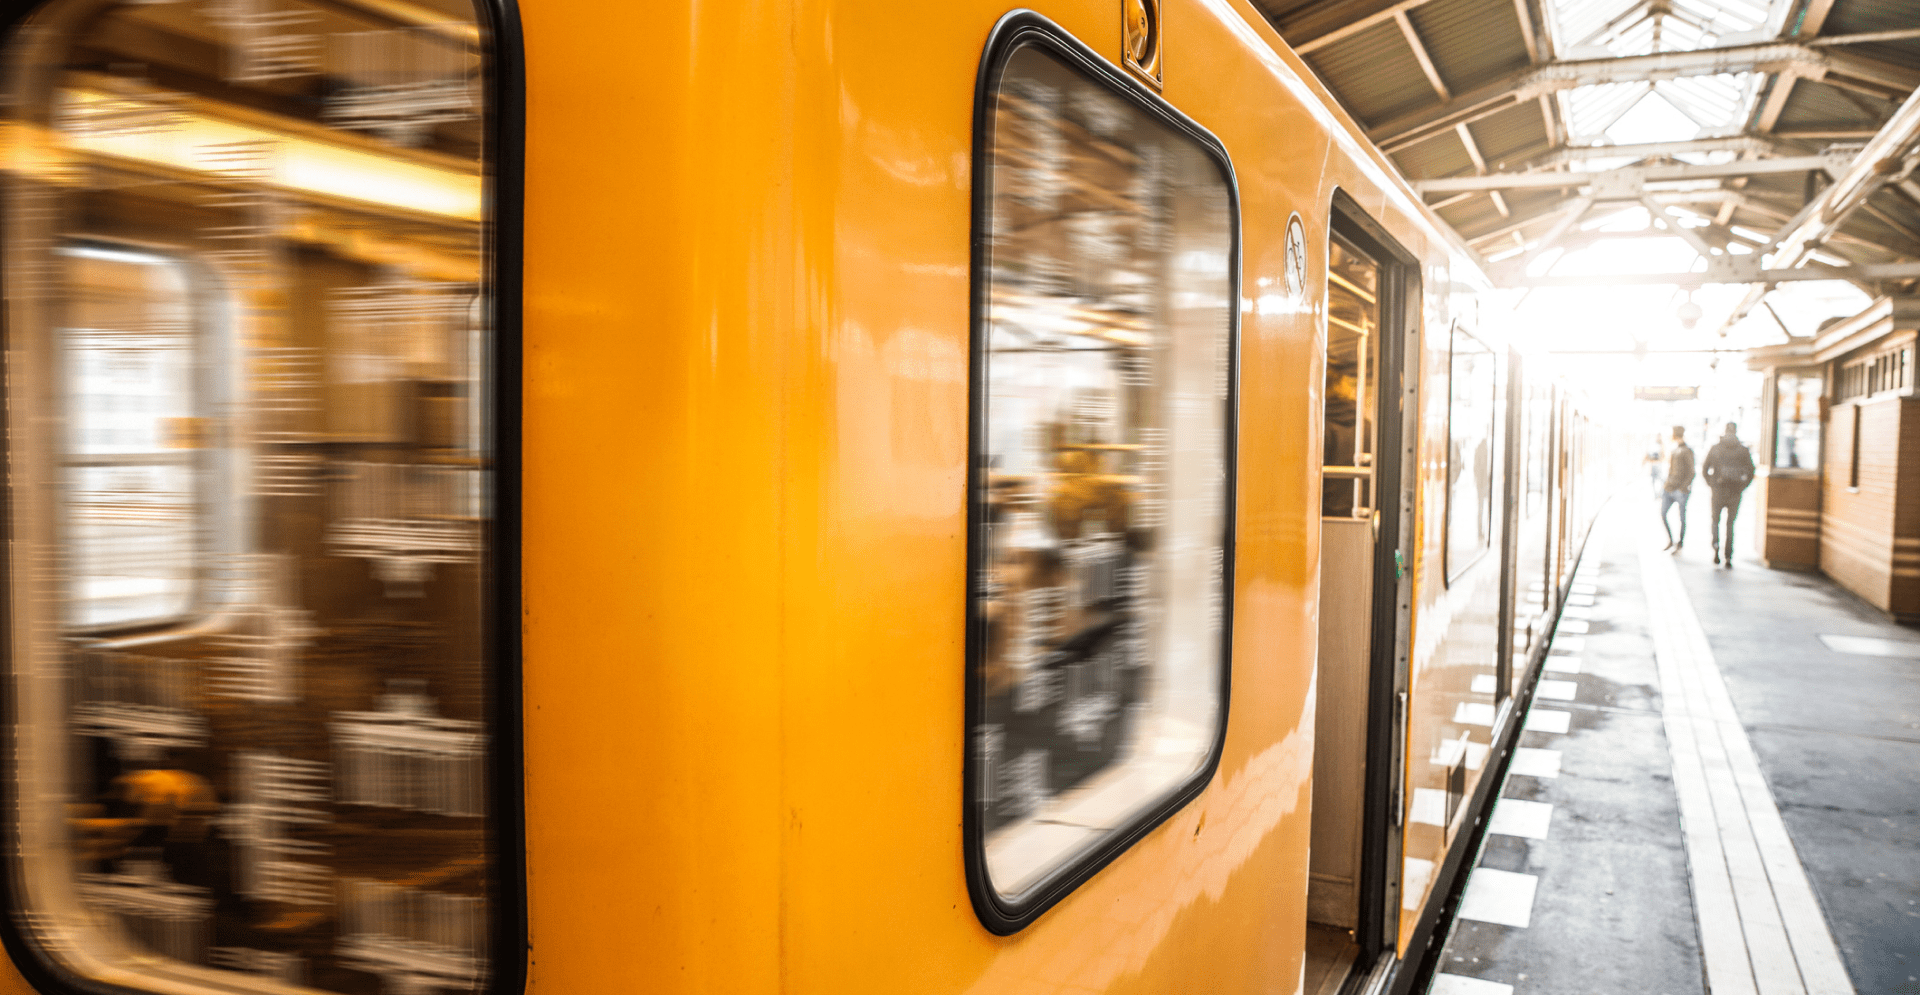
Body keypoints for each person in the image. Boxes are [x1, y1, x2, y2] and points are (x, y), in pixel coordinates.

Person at [1702, 421, 1756, 568]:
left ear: (1725, 431)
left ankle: (1715, 548)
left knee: (1715, 521)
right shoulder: (1743, 450)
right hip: (1735, 492)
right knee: (1730, 524)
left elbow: (1705, 469)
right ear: (1736, 431)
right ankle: (1728, 557)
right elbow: (1751, 471)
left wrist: (1712, 484)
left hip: (1718, 491)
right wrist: (1742, 487)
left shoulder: (1715, 448)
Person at [1659, 425, 1694, 553]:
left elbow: (1691, 472)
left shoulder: (1686, 450)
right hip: (1669, 488)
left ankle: (1679, 543)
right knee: (1663, 514)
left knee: (1682, 518)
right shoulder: (1675, 450)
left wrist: (1683, 488)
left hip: (1680, 490)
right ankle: (1671, 540)